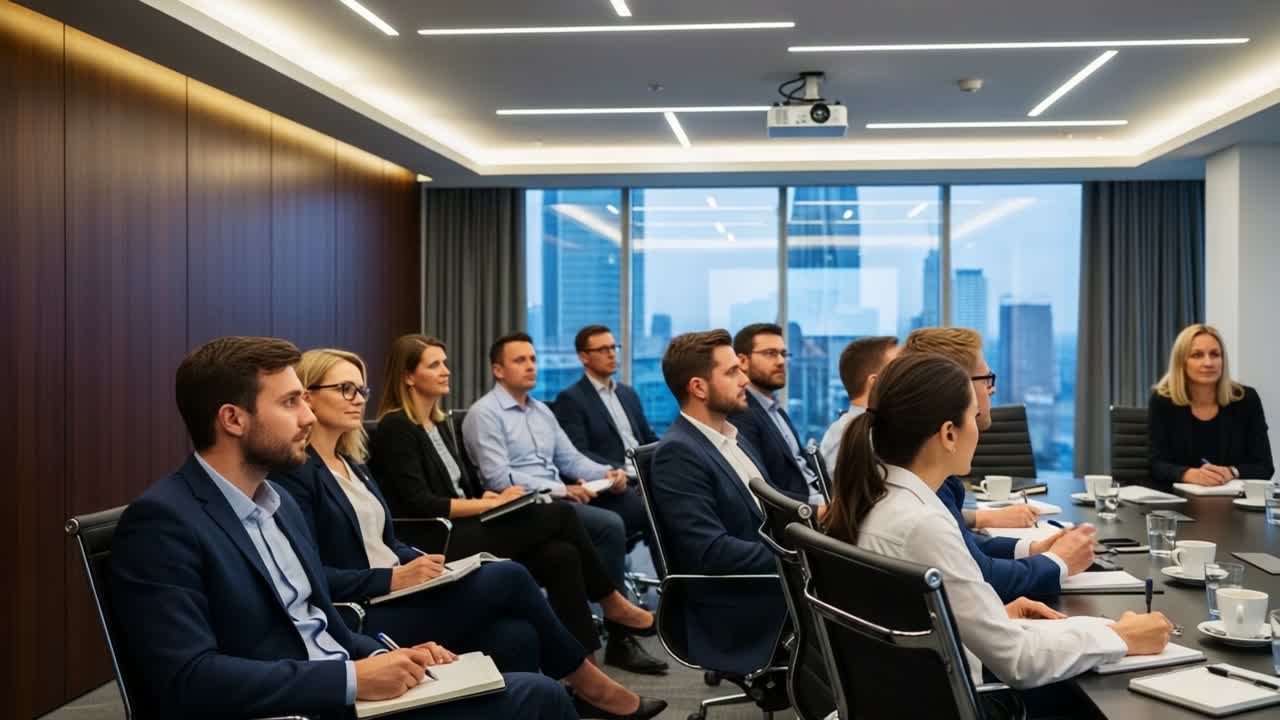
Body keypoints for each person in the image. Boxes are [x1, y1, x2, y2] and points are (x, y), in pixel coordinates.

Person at [109, 336, 575, 720]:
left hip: (338, 684)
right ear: (233, 419)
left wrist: (390, 656)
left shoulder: (278, 505)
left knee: (517, 651)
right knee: (541, 697)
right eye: (291, 402)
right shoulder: (163, 523)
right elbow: (187, 679)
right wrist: (353, 679)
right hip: (303, 705)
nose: (308, 417)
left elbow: (322, 626)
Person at [274, 348, 666, 719]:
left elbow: (387, 542)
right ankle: (593, 686)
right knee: (511, 572)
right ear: (307, 397)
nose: (359, 399)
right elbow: (311, 578)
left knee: (518, 633)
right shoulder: (297, 474)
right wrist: (391, 578)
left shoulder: (351, 463)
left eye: (362, 389)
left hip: (402, 589)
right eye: (345, 389)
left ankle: (573, 693)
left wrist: (424, 564)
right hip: (366, 609)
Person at [823, 352, 1173, 693]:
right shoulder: (922, 524)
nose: (979, 429)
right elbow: (1019, 661)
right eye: (973, 417)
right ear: (948, 434)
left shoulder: (878, 498)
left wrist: (995, 617)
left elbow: (904, 614)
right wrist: (1120, 637)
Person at [371, 334, 668, 676]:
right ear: (408, 376)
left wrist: (489, 500)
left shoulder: (439, 423)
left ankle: (585, 671)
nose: (446, 371)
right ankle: (612, 603)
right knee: (561, 513)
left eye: (445, 363)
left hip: (464, 524)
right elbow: (422, 504)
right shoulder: (397, 426)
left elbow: (462, 488)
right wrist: (488, 503)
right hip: (438, 540)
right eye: (434, 365)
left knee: (562, 556)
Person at [899, 328, 1096, 602]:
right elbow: (983, 576)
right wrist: (1059, 561)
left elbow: (966, 547)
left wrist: (1034, 549)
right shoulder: (923, 491)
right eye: (986, 378)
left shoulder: (918, 476)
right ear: (953, 385)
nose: (992, 388)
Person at [463, 333, 654, 592]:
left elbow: (571, 459)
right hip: (520, 504)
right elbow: (497, 478)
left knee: (628, 510)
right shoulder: (484, 413)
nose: (530, 366)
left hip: (556, 500)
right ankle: (615, 609)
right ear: (498, 370)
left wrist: (607, 473)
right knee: (609, 524)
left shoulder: (541, 411)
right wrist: (563, 489)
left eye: (532, 359)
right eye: (520, 360)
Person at [649, 329, 787, 675]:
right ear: (698, 387)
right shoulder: (678, 453)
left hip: (770, 580)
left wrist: (820, 518)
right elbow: (712, 552)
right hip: (740, 602)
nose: (744, 379)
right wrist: (797, 559)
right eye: (731, 372)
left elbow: (768, 508)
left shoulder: (730, 437)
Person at [1149, 323, 1274, 487]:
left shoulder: (1246, 399)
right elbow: (1156, 464)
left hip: (1231, 497)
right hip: (1178, 499)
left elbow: (1265, 466)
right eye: (1197, 355)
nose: (1208, 363)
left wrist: (1231, 472)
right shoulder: (1163, 400)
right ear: (1182, 362)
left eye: (1215, 354)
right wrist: (1188, 474)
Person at [728, 323, 825, 505]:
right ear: (742, 361)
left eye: (783, 354)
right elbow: (760, 488)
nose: (781, 362)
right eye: (770, 353)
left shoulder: (775, 408)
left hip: (819, 499)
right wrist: (816, 509)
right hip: (799, 511)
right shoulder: (741, 414)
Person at [554, 324, 659, 474]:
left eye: (613, 347)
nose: (612, 354)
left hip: (646, 472)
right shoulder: (571, 399)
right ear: (584, 357)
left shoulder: (628, 393)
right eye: (603, 350)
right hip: (615, 477)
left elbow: (648, 437)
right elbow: (578, 454)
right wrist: (621, 471)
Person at [820, 336, 899, 474]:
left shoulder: (846, 430)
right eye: (899, 369)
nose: (906, 376)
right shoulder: (852, 437)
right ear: (875, 383)